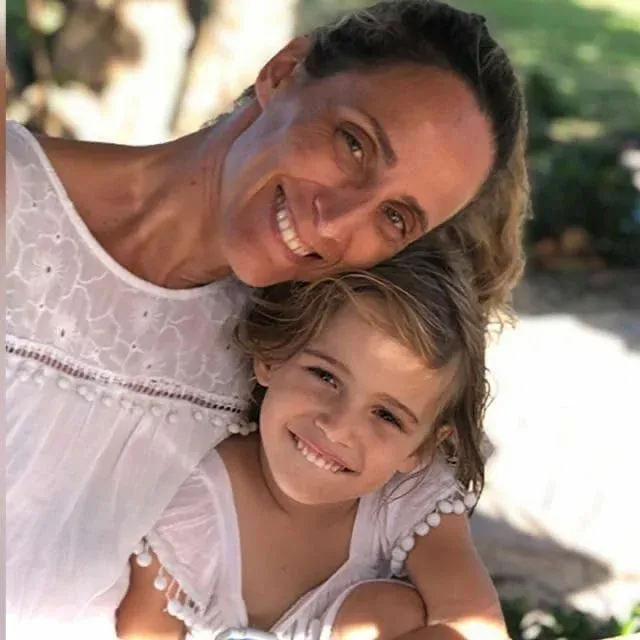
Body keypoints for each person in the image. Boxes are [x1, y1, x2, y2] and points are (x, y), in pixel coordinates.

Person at [5, 0, 528, 637]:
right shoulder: (14, 194)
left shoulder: (304, 346)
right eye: (354, 144)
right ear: (283, 72)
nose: (335, 222)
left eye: (395, 217)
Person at [116, 242, 499, 640]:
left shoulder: (405, 500)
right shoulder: (194, 507)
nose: (337, 428)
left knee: (388, 612)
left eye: (386, 415)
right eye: (325, 376)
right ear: (274, 355)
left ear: (420, 449)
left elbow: (475, 628)